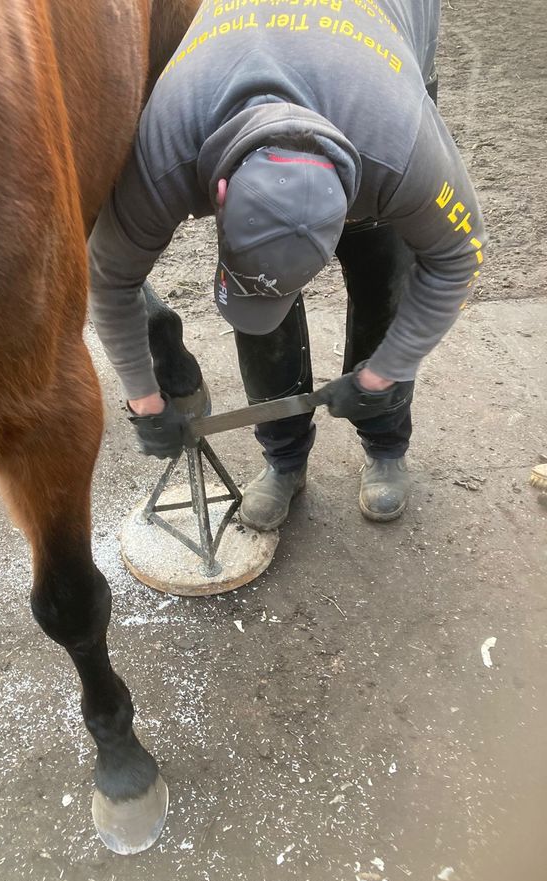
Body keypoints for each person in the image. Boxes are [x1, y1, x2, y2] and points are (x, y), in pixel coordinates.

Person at [88, 0, 485, 531]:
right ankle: (284, 459)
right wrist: (142, 394)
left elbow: (458, 258)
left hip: (379, 64)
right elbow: (109, 277)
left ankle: (387, 445)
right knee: (259, 316)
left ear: (352, 204)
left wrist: (382, 374)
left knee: (383, 279)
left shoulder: (402, 152)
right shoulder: (169, 141)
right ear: (219, 192)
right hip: (247, 62)